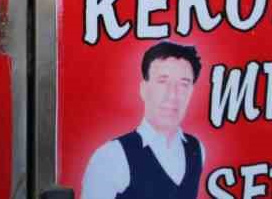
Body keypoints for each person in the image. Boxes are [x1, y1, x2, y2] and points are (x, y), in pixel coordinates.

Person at [80, 42, 206, 199]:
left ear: (191, 92)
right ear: (144, 89)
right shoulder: (111, 156)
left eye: (183, 84)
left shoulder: (197, 149)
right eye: (162, 81)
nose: (172, 95)